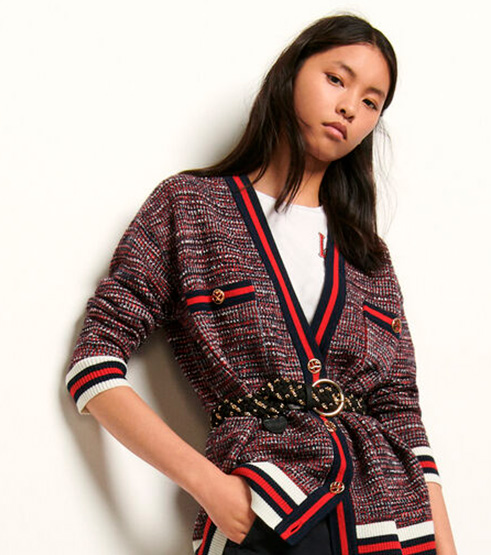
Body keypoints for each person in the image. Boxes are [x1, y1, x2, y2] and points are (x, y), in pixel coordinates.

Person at [66, 14, 457, 555]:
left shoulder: (369, 257)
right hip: (267, 514)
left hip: (386, 525)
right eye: (336, 79)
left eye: (372, 102)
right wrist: (211, 488)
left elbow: (402, 416)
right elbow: (93, 364)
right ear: (291, 74)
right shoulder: (191, 208)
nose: (350, 107)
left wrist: (446, 547)